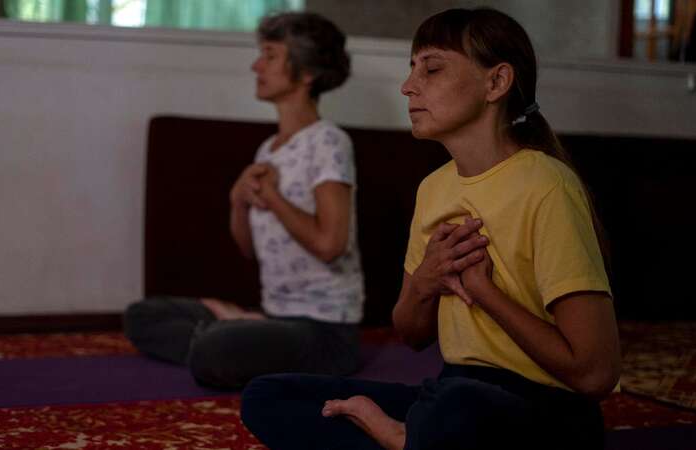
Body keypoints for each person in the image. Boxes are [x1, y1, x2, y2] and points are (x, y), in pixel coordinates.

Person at [241, 8, 621, 450]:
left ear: (496, 83)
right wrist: (426, 281)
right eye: (411, 68)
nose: (408, 86)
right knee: (266, 395)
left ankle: (405, 437)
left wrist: (485, 293)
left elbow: (596, 373)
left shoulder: (546, 185)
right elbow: (412, 334)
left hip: (541, 410)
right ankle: (409, 437)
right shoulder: (434, 188)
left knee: (458, 408)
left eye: (432, 68)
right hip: (450, 391)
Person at [124, 12, 364, 390]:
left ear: (305, 73)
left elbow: (330, 245)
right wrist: (237, 200)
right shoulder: (267, 149)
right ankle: (237, 326)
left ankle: (229, 331)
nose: (256, 65)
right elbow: (249, 249)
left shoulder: (329, 141)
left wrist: (273, 196)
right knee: (141, 315)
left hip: (326, 333)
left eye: (269, 56)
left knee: (214, 351)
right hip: (274, 316)